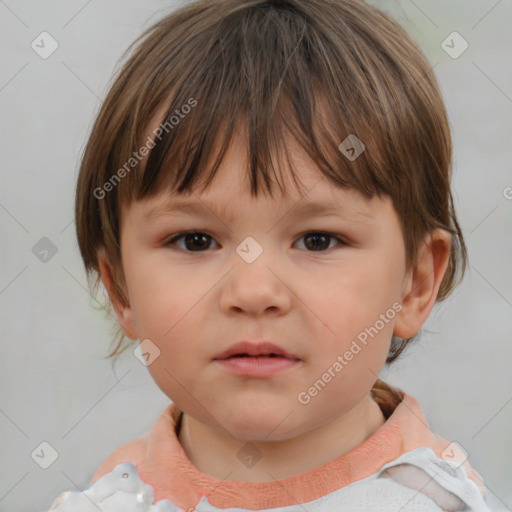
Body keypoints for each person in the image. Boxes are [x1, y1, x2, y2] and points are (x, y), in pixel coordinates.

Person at [50, 0, 492, 510]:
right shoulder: (113, 495)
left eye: (317, 240)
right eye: (196, 240)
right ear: (120, 286)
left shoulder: (432, 501)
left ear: (414, 284)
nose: (254, 293)